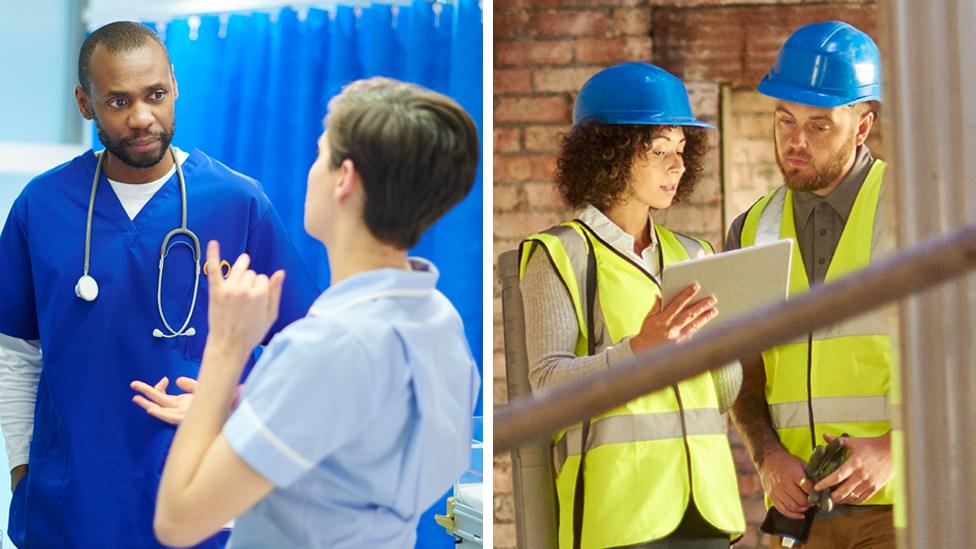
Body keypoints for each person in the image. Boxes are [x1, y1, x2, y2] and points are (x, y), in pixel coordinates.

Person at [0, 21, 319, 548]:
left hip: (204, 506)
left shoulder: (238, 203)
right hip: (70, 511)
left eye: (156, 95)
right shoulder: (42, 206)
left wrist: (239, 401)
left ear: (174, 85)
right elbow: (14, 353)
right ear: (86, 103)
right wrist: (22, 470)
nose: (142, 117)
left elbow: (305, 348)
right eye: (119, 101)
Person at [142, 77, 481, 548]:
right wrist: (255, 402)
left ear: (345, 178)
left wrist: (226, 348)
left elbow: (178, 521)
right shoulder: (440, 321)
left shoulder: (326, 349)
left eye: (321, 154)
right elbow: (359, 448)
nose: (312, 169)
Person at [519, 62, 745, 549]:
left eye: (681, 150)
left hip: (705, 508)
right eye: (659, 151)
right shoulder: (560, 254)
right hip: (618, 516)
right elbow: (546, 387)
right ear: (610, 156)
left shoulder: (694, 254)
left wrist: (728, 346)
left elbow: (721, 395)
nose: (677, 166)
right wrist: (639, 350)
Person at [726, 21, 896, 548]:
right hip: (802, 520)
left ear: (862, 126)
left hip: (903, 509)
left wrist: (895, 450)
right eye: (784, 120)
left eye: (819, 126)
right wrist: (767, 457)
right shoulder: (750, 230)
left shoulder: (915, 211)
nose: (795, 141)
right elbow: (744, 374)